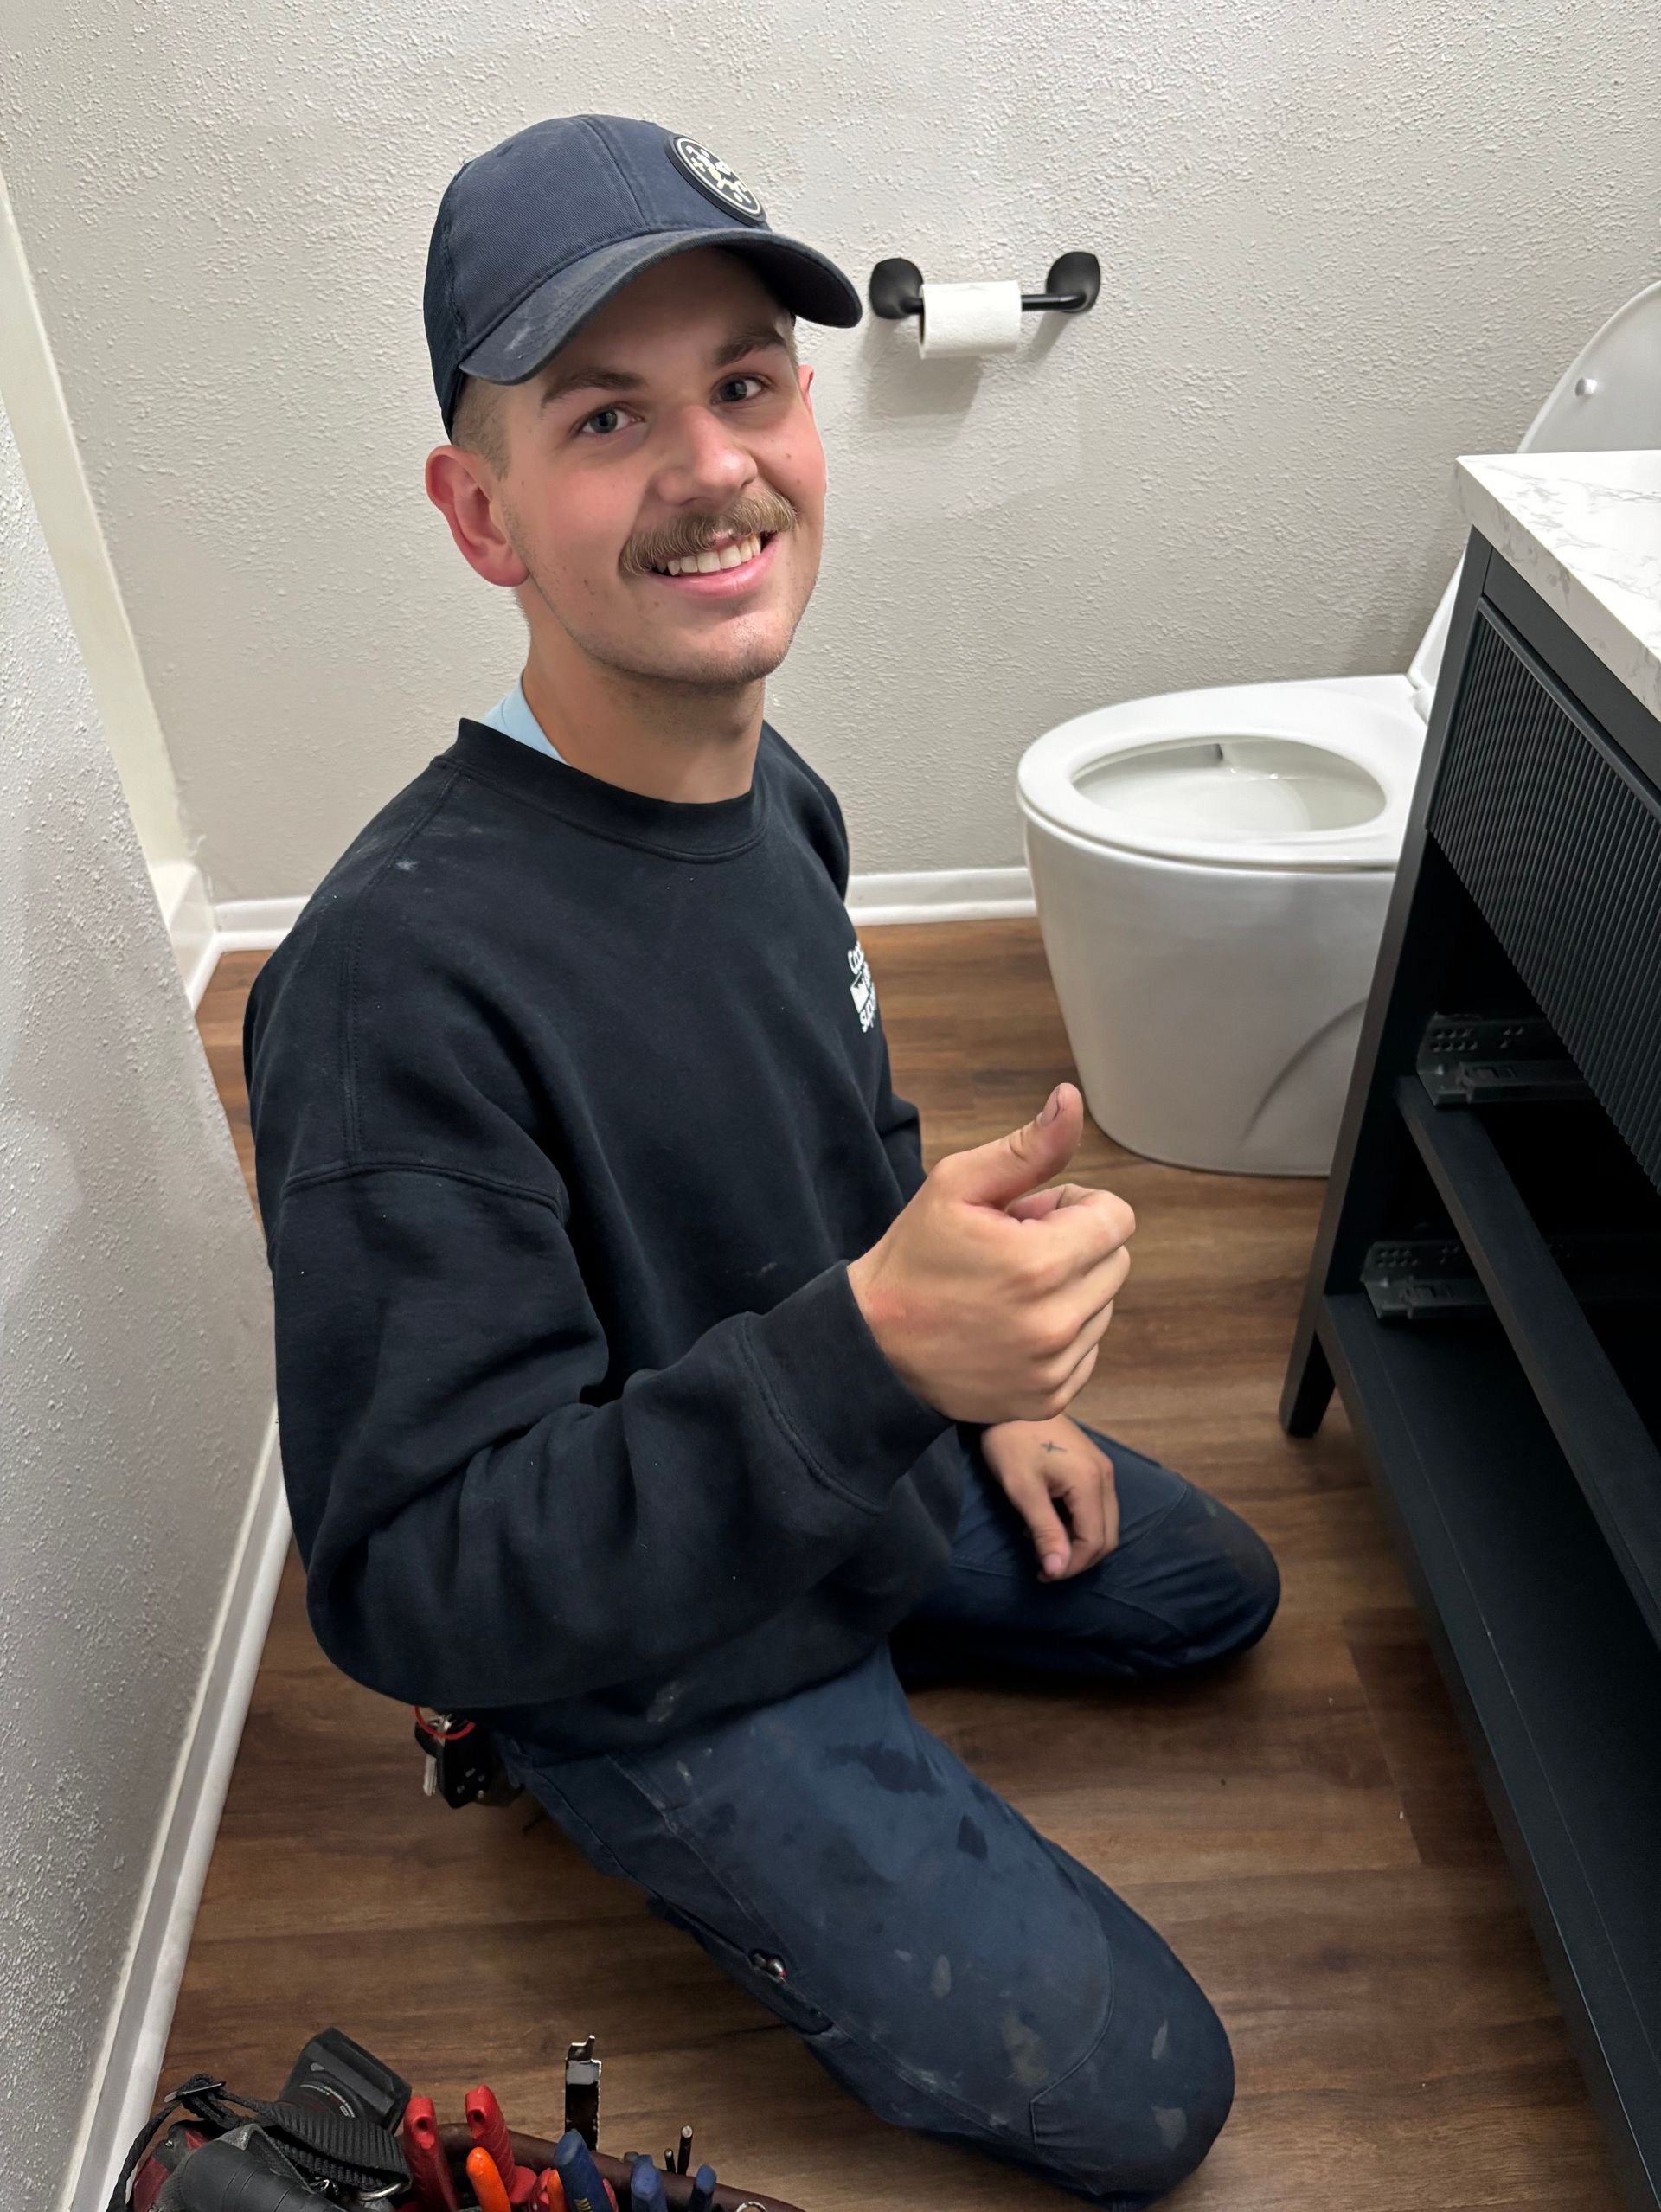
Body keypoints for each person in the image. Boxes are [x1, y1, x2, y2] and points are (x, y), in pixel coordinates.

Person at [243, 113, 1280, 2205]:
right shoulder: (390, 990)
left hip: (833, 1462)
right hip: (637, 1641)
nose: (712, 463)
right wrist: (881, 1357)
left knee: (1209, 1591)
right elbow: (405, 1574)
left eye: (745, 384)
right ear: (483, 515)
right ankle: (587, 1760)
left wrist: (971, 1405)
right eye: (607, 414)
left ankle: (876, 1612)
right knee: (1152, 2094)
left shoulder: (774, 795)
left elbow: (853, 1138)